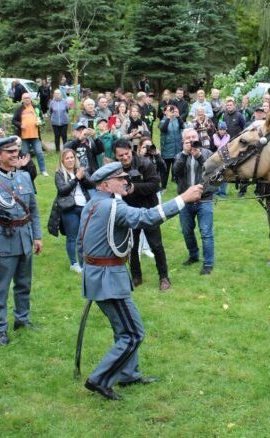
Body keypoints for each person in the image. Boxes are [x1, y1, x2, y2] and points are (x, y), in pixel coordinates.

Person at [79, 162, 203, 400]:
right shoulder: (110, 206)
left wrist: (90, 274)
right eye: (120, 178)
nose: (126, 181)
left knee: (123, 331)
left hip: (102, 278)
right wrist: (183, 198)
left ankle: (128, 375)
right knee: (133, 333)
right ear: (105, 184)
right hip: (108, 281)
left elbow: (80, 243)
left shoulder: (94, 202)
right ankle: (99, 380)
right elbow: (146, 218)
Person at [0, 136, 43, 346]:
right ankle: (0, 328)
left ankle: (22, 319)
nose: (15, 155)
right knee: (2, 288)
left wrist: (37, 236)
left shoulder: (24, 177)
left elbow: (33, 210)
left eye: (16, 151)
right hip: (4, 243)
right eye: (9, 152)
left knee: (24, 284)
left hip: (25, 239)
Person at [112, 140, 172, 290]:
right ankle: (136, 277)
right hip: (129, 211)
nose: (125, 158)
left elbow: (155, 185)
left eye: (126, 154)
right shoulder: (114, 168)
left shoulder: (145, 164)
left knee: (156, 245)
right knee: (132, 246)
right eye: (120, 156)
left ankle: (164, 277)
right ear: (115, 155)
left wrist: (134, 188)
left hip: (148, 210)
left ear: (130, 150)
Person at [174, 129, 215, 275]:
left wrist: (198, 156)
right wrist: (185, 155)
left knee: (206, 232)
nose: (191, 140)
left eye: (194, 137)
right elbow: (175, 174)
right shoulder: (179, 155)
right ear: (183, 141)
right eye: (188, 138)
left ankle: (208, 263)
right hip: (185, 199)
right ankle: (193, 255)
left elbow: (211, 171)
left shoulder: (207, 153)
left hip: (204, 199)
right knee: (186, 231)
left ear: (198, 138)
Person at [53, 149, 91, 273]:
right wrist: (76, 179)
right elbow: (63, 190)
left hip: (85, 207)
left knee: (85, 236)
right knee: (72, 237)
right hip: (70, 208)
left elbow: (92, 185)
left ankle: (86, 261)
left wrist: (83, 177)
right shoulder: (59, 174)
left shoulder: (80, 171)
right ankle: (74, 263)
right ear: (62, 161)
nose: (70, 160)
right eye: (67, 158)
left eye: (72, 157)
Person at [159, 105, 183, 189]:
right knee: (165, 169)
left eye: (172, 110)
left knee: (177, 168)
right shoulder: (163, 121)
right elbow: (163, 129)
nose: (171, 112)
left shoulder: (177, 120)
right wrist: (168, 118)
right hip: (167, 149)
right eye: (169, 110)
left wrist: (179, 117)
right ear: (165, 112)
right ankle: (163, 186)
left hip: (178, 148)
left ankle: (179, 186)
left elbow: (182, 126)